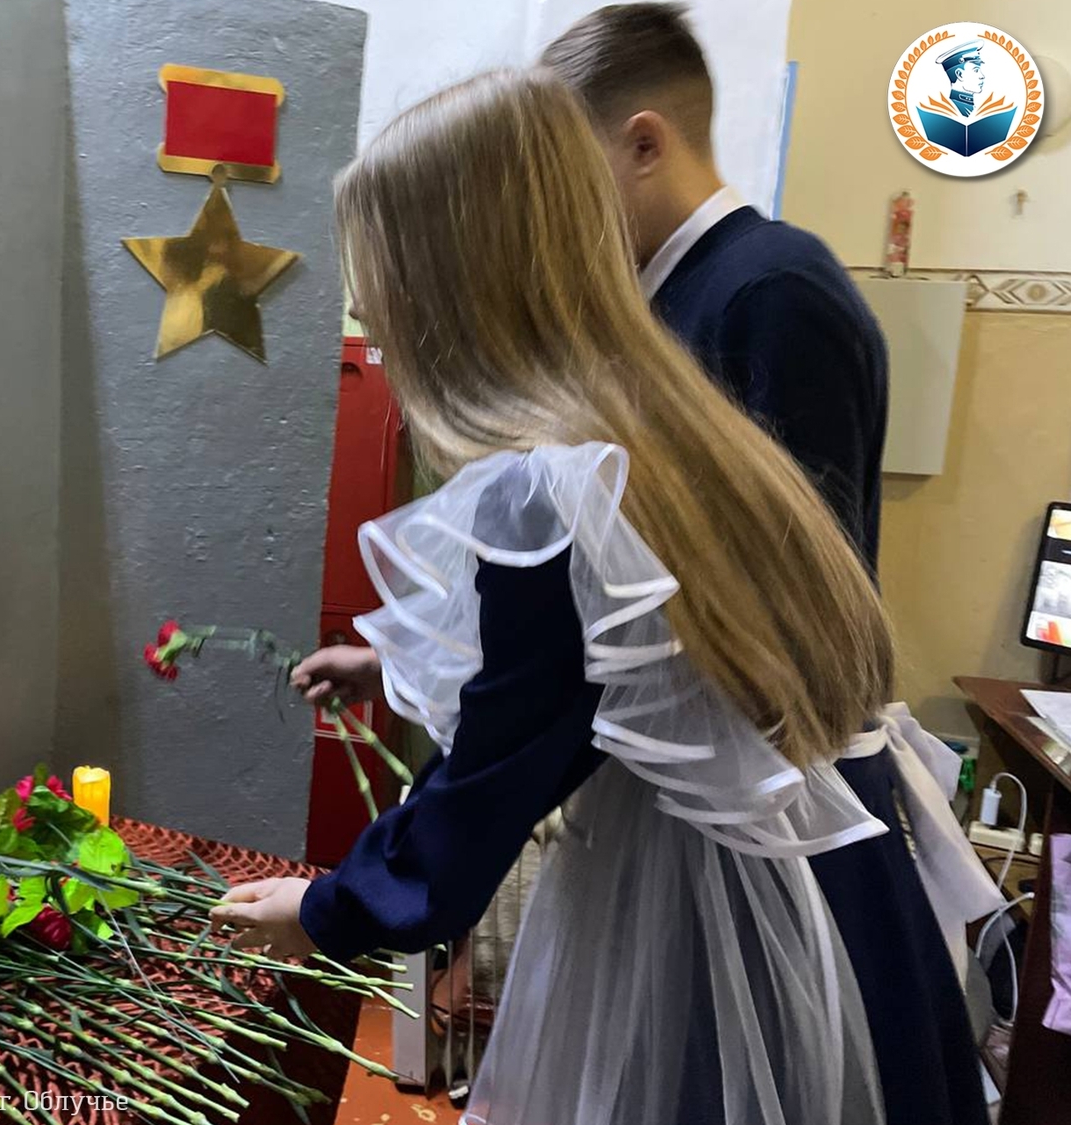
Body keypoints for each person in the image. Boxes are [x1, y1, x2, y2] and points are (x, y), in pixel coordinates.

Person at [212, 70, 995, 1124]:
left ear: (449, 292)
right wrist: (394, 666)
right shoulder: (672, 421)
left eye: (381, 287)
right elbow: (619, 668)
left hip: (715, 922)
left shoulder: (550, 483)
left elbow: (499, 766)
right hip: (840, 890)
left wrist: (329, 906)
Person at [541, 2, 886, 571]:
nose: (556, 210)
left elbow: (800, 577)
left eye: (566, 177)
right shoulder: (670, 290)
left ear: (645, 145)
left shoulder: (774, 293)